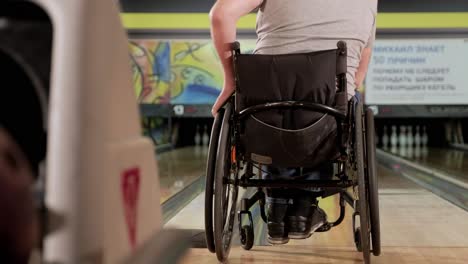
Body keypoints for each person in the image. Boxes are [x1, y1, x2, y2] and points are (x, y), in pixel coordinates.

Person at [209, 0, 377, 244]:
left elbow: (220, 15)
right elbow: (363, 62)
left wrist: (231, 81)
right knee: (341, 105)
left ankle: (276, 209)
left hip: (262, 113)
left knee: (273, 107)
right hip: (328, 118)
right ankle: (303, 208)